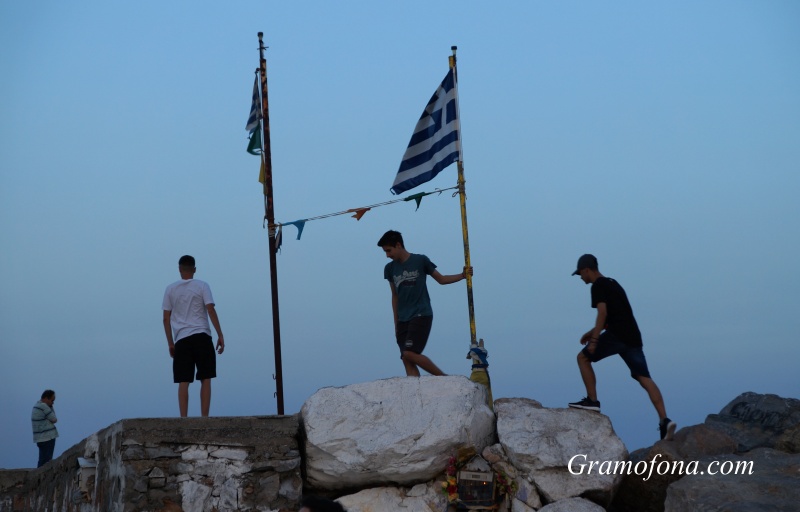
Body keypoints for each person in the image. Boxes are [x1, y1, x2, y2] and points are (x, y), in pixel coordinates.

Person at [569, 254, 677, 441]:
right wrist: (592, 331)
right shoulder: (613, 283)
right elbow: (618, 314)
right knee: (644, 377)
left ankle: (592, 401)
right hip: (632, 336)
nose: (580, 278)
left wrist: (594, 341)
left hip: (617, 335)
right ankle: (664, 420)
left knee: (583, 358)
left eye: (580, 274)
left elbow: (602, 313)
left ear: (586, 270)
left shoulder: (598, 286)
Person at [378, 230, 472, 377]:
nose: (387, 255)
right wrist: (395, 321)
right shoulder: (389, 269)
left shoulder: (420, 260)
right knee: (405, 358)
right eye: (385, 251)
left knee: (409, 352)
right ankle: (415, 392)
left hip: (421, 313)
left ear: (398, 245)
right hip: (402, 318)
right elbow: (394, 296)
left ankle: (444, 379)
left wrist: (462, 276)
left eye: (389, 250)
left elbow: (441, 279)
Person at [162, 255, 225, 417]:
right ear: (194, 269)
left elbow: (166, 319)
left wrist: (170, 343)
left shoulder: (170, 289)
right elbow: (210, 309)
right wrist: (220, 334)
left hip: (182, 339)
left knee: (184, 380)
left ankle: (184, 418)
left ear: (179, 269)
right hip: (202, 336)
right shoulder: (202, 286)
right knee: (206, 377)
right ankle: (204, 417)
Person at [32, 389, 58, 467]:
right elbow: (54, 419)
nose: (52, 402)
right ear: (46, 398)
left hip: (40, 438)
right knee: (46, 463)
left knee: (42, 460)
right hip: (47, 437)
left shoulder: (37, 405)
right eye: (52, 400)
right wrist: (51, 407)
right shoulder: (43, 406)